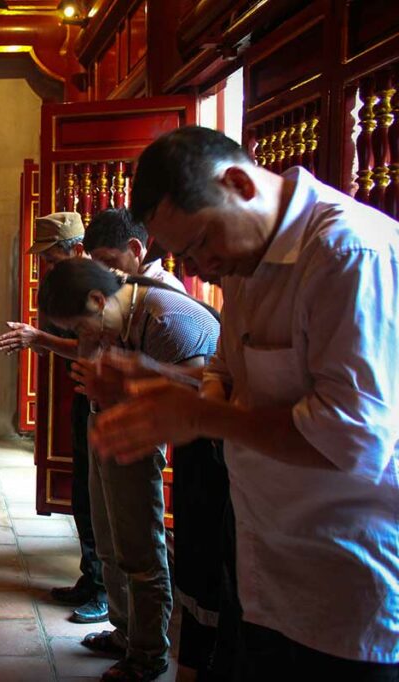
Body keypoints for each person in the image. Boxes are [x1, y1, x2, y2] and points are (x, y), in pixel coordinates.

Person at [91, 126, 399, 680]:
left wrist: (200, 414)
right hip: (263, 566)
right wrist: (169, 383)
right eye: (183, 254)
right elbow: (225, 378)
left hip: (346, 581)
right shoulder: (245, 266)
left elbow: (352, 436)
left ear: (237, 183)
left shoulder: (345, 253)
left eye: (201, 243)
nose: (197, 268)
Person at [39, 257, 220, 682]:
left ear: (99, 300)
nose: (83, 338)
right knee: (109, 543)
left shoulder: (169, 319)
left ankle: (148, 653)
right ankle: (124, 633)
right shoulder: (111, 313)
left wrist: (136, 381)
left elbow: (203, 392)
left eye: (82, 327)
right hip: (108, 419)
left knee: (140, 550)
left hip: (150, 435)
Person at [0, 211, 108, 624]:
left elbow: (87, 349)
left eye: (52, 260)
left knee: (100, 500)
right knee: (82, 494)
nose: (46, 268)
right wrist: (39, 338)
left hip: (107, 402)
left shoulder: (101, 288)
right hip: (82, 398)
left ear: (76, 249)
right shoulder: (71, 286)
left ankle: (105, 591)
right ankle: (90, 577)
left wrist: (38, 338)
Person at [83, 207, 186, 292]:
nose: (103, 271)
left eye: (108, 260)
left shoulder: (165, 290)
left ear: (135, 248)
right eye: (97, 264)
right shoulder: (115, 286)